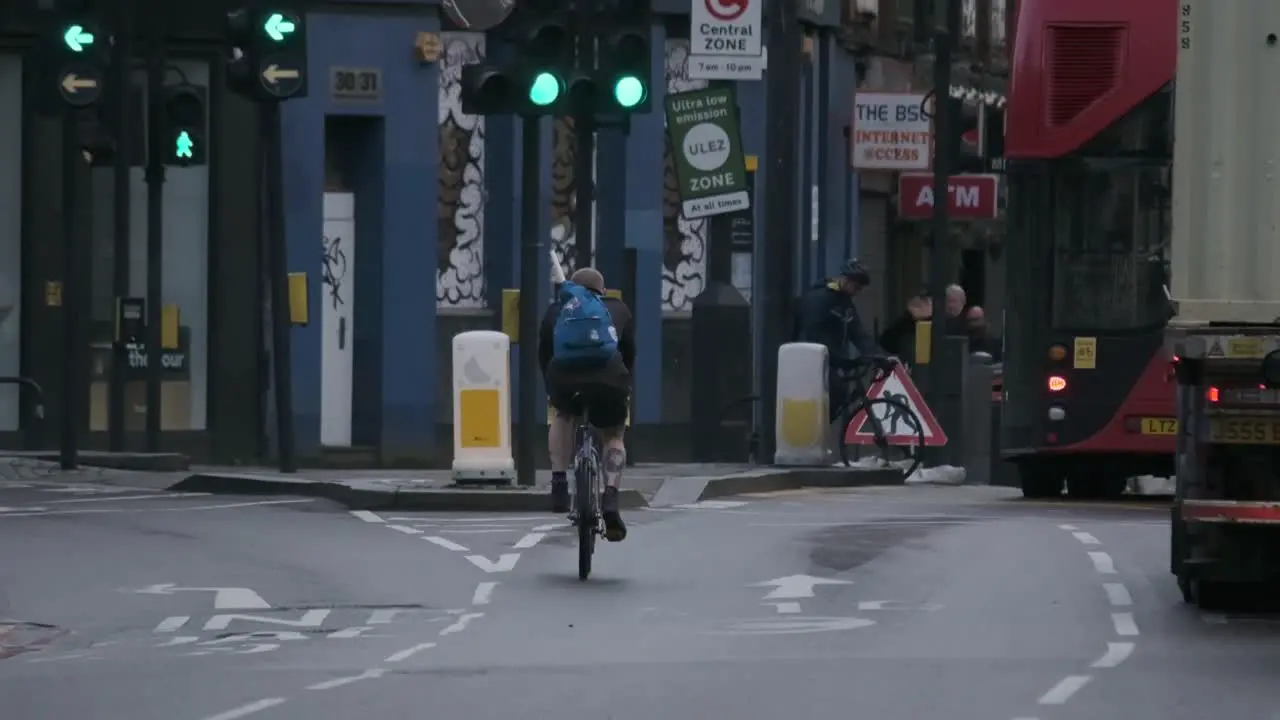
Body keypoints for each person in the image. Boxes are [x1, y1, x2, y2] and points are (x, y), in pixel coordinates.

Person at [538, 267, 635, 542]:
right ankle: (611, 499)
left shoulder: (556, 311)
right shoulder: (618, 310)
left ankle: (558, 483)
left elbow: (544, 354)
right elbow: (629, 354)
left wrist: (553, 389)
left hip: (565, 378)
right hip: (608, 377)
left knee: (563, 415)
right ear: (602, 292)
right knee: (613, 434)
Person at [794, 258, 892, 420]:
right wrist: (842, 361)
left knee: (838, 392)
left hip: (826, 359)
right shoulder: (819, 298)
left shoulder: (844, 302)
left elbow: (857, 332)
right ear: (845, 280)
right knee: (835, 390)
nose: (857, 292)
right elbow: (812, 335)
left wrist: (877, 356)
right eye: (856, 287)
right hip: (809, 359)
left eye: (860, 288)